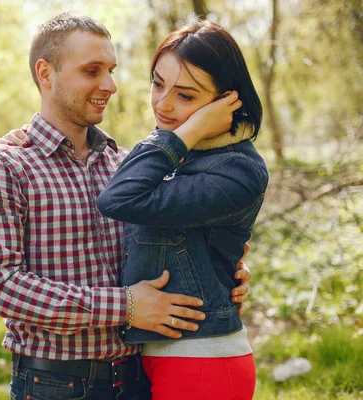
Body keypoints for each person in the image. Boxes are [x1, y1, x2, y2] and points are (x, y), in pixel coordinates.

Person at [0, 13, 251, 400]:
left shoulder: (127, 164)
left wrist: (225, 270)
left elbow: (171, 245)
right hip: (56, 384)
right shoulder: (4, 165)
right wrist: (125, 306)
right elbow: (2, 287)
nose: (110, 85)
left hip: (140, 377)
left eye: (111, 70)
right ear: (45, 74)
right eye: (92, 71)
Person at [95, 20, 268, 399]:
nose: (163, 103)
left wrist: (182, 134)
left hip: (202, 361)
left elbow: (118, 199)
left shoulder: (238, 170)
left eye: (186, 96)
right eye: (158, 83)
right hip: (153, 358)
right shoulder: (178, 158)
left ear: (227, 100)